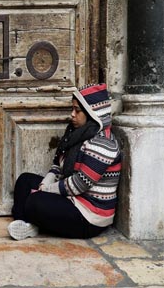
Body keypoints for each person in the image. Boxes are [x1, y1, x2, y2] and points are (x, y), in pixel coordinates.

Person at [8, 83, 121, 240]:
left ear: (92, 113)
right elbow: (57, 166)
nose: (72, 114)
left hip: (89, 217)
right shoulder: (76, 134)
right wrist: (46, 183)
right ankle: (26, 225)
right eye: (72, 109)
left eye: (78, 110)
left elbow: (79, 184)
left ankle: (32, 221)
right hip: (71, 199)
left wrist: (46, 190)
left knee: (36, 201)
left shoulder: (103, 144)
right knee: (25, 181)